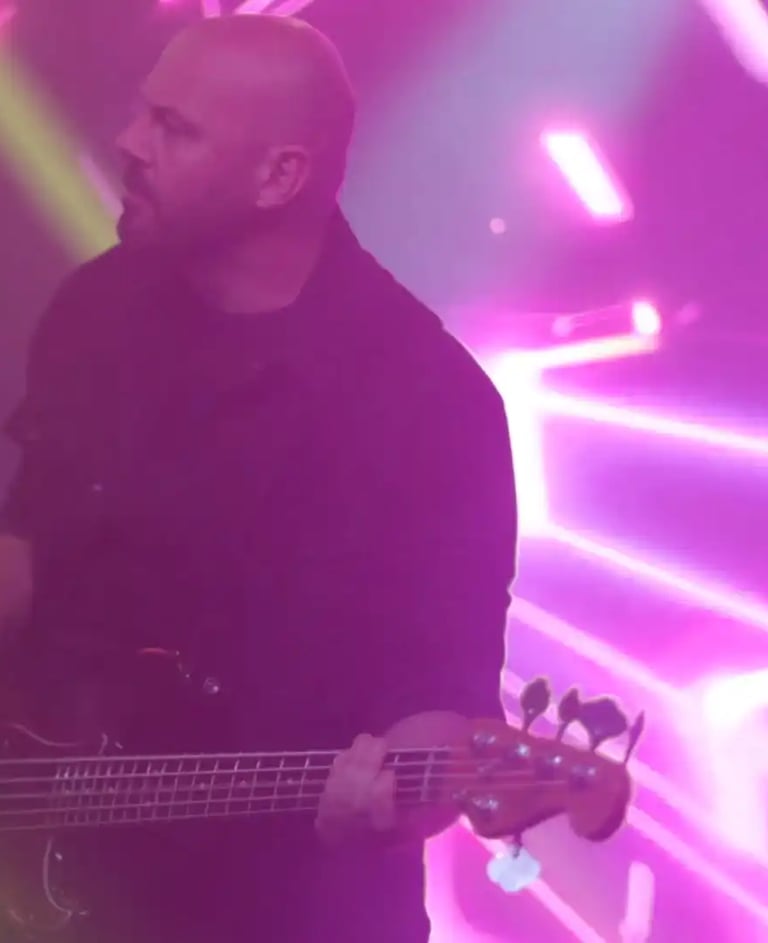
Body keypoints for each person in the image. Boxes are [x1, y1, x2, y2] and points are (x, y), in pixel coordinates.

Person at [0, 13, 517, 943]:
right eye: (141, 112)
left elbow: (446, 707)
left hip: (280, 910)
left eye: (174, 127)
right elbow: (29, 554)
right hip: (52, 891)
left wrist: (387, 798)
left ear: (280, 175)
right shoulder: (97, 307)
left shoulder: (432, 405)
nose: (127, 143)